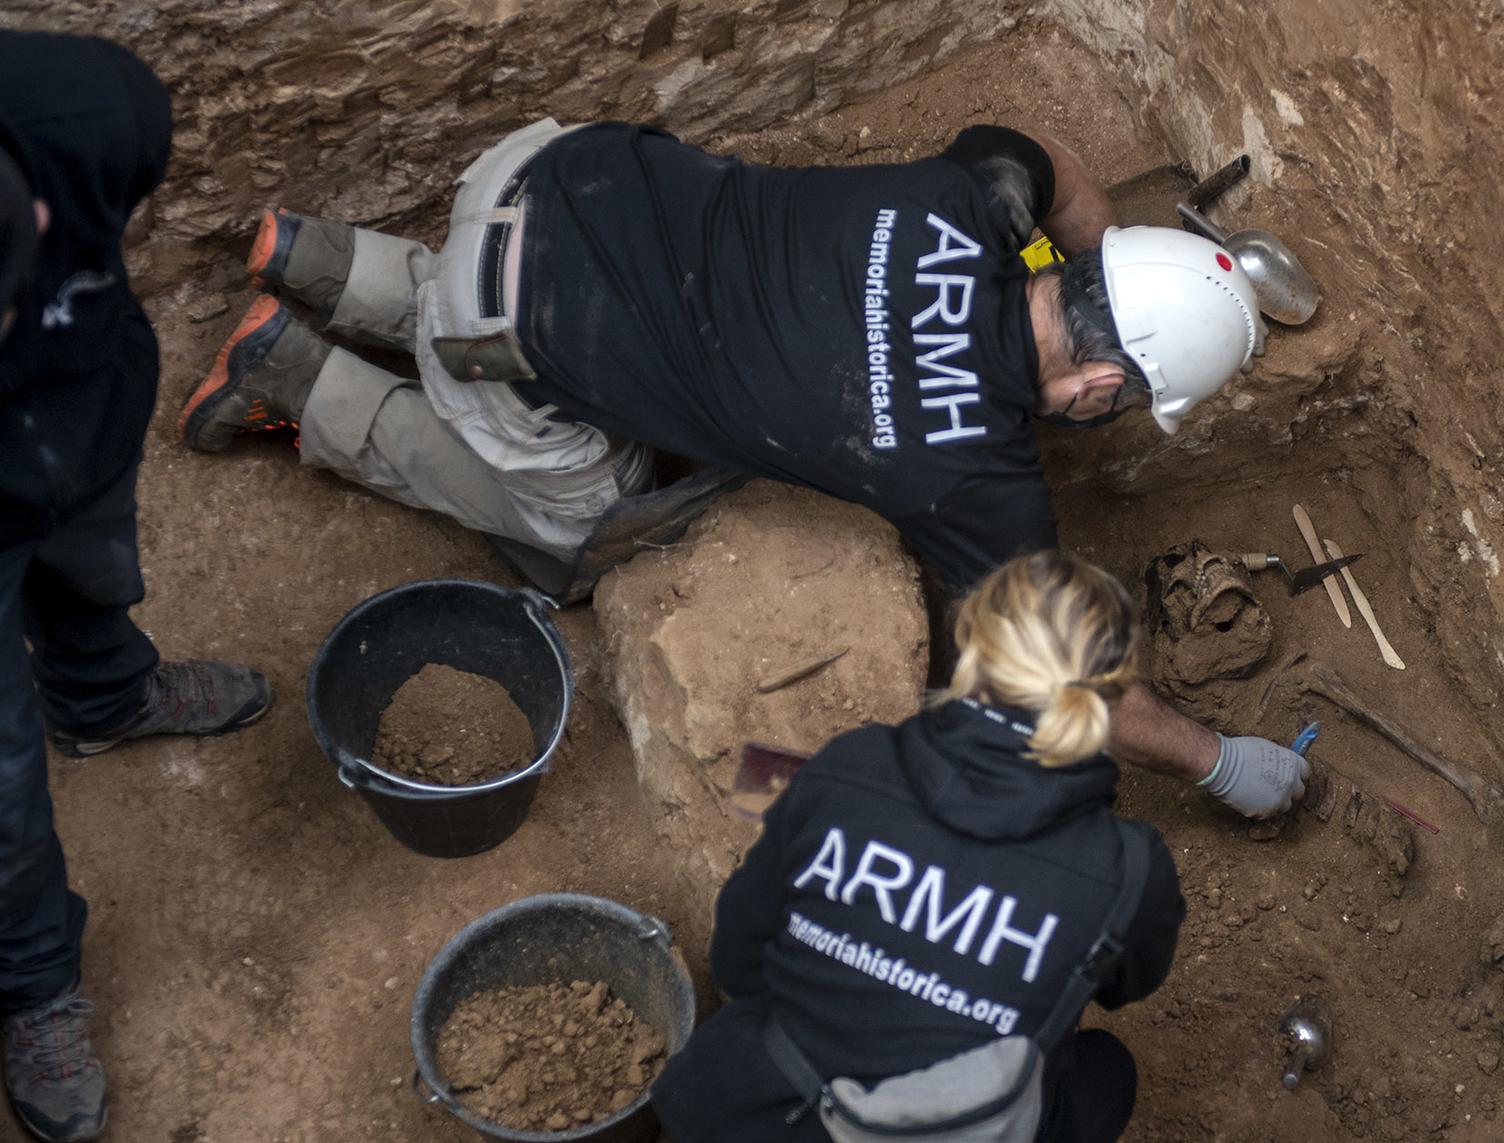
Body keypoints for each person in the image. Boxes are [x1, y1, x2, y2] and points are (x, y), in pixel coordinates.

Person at [180, 119, 1309, 820]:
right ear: (1105, 390)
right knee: (577, 529)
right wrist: (1218, 764)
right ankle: (294, 374)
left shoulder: (972, 197)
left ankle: (315, 254)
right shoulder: (968, 472)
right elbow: (1080, 693)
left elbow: (1049, 159)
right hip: (510, 329)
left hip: (550, 168)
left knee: (562, 291)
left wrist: (1087, 249)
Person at [653, 551, 1185, 1141]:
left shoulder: (851, 765)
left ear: (973, 650)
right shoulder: (1129, 868)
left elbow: (735, 958)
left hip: (740, 1113)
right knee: (1105, 1069)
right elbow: (1125, 984)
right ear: (1110, 694)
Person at [0, 31, 273, 1143]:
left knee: (95, 568)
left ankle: (106, 698)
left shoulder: (93, 113)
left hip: (83, 414)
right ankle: (30, 987)